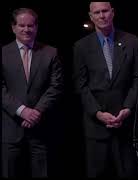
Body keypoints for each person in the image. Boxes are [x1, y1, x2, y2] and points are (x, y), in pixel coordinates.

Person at [72, 2, 138, 178]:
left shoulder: (133, 42)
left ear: (112, 13)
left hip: (126, 124)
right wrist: (98, 113)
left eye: (105, 11)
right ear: (91, 16)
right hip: (95, 126)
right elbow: (80, 85)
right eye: (97, 12)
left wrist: (127, 109)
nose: (102, 16)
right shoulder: (81, 46)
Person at [2, 8, 64, 177]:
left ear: (36, 27)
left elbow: (56, 86)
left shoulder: (51, 52)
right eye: (21, 25)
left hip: (41, 127)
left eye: (30, 25)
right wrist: (23, 111)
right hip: (10, 127)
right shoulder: (2, 53)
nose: (26, 29)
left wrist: (36, 112)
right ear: (13, 28)